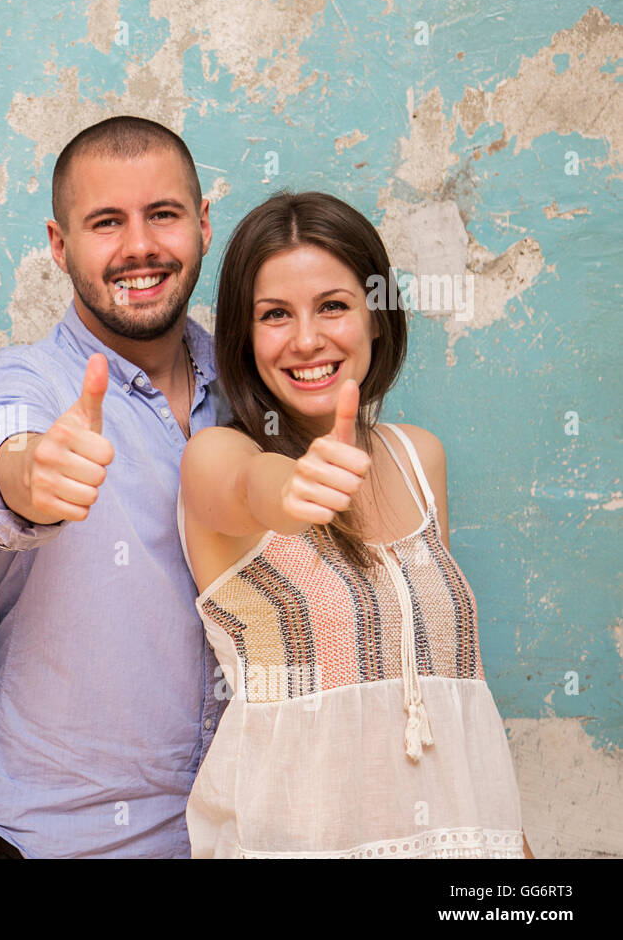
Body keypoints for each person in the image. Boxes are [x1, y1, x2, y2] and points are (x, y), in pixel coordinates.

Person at [177, 190, 531, 858]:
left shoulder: (419, 458)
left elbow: (459, 700)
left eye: (333, 306)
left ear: (376, 316)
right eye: (275, 314)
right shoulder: (219, 457)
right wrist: (295, 488)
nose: (307, 339)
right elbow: (252, 492)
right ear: (245, 339)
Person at [0, 116, 224, 858]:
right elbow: (1, 457)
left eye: (162, 214)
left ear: (201, 224)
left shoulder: (254, 383)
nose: (139, 246)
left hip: (236, 829)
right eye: (106, 222)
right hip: (57, 840)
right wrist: (33, 476)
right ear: (60, 245)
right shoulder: (20, 384)